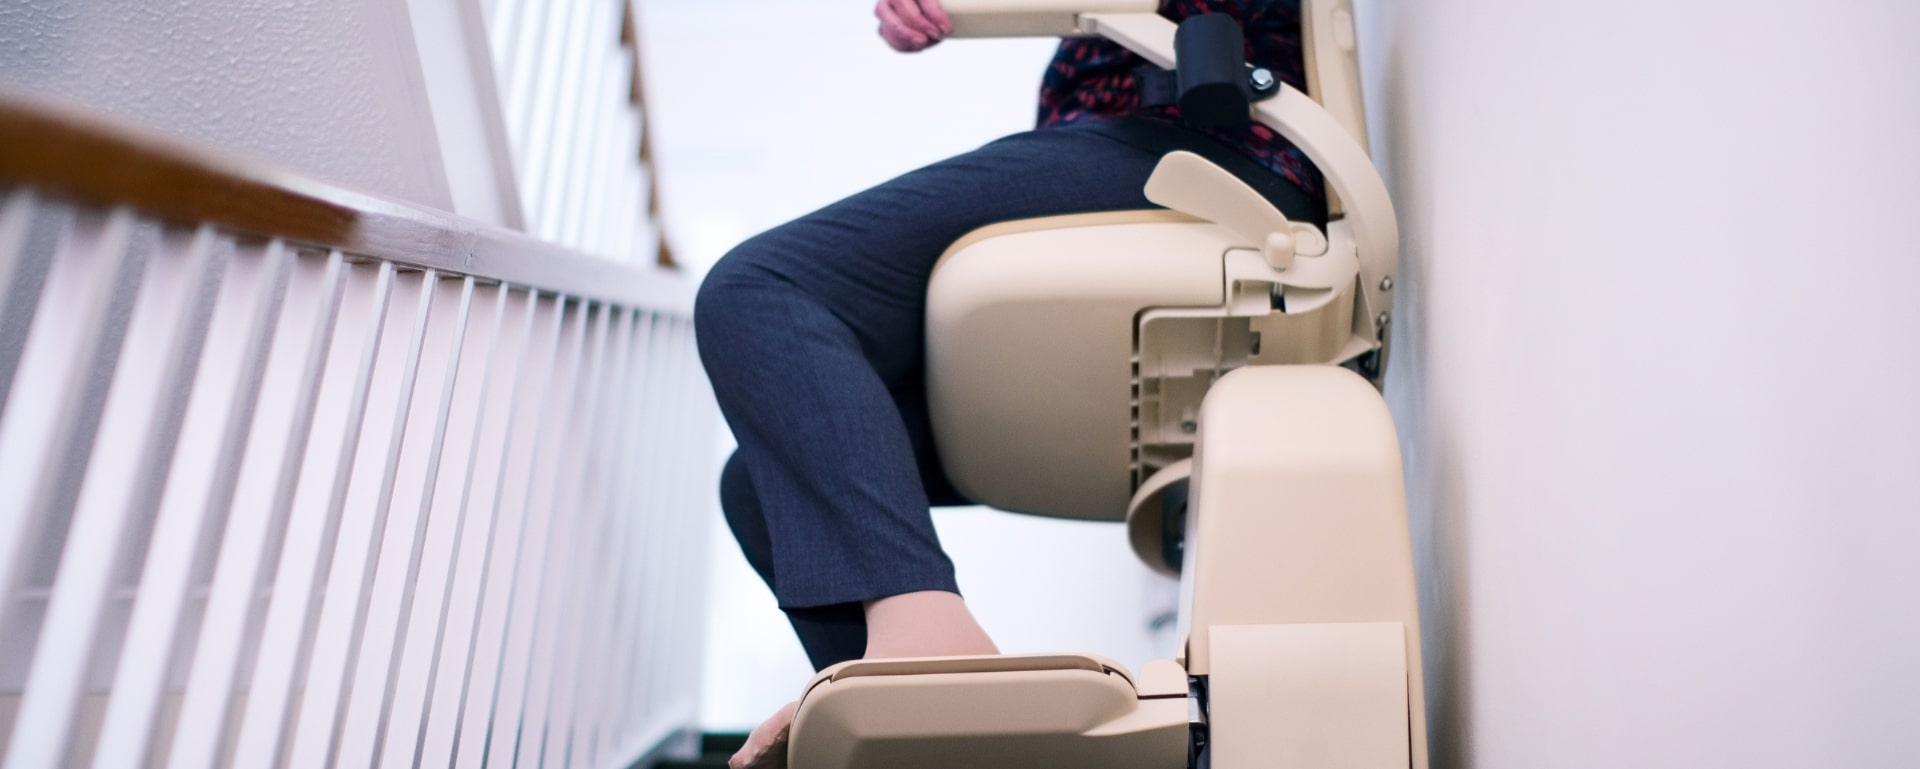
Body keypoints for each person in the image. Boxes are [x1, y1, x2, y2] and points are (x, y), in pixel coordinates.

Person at [692, 1, 1323, 766]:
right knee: (759, 483)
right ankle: (923, 722)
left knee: (759, 290)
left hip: (1209, 142)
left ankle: (926, 653)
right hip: (1131, 153)